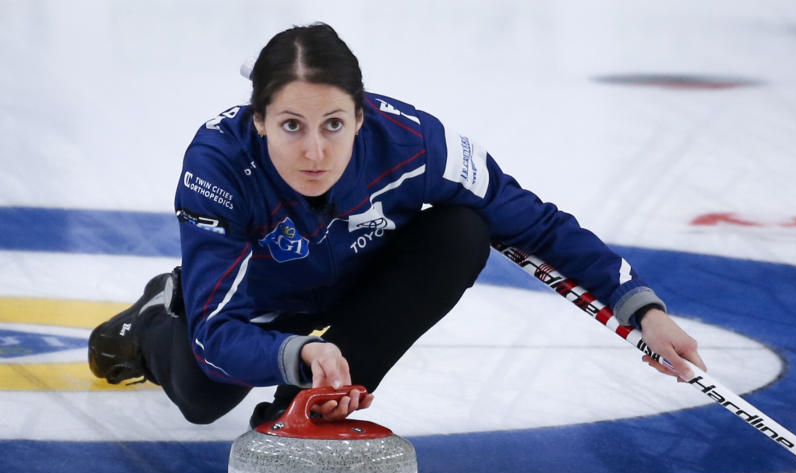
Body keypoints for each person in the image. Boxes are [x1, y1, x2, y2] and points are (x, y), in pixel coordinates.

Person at [88, 23, 706, 428]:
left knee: (463, 229)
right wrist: (296, 352)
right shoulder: (218, 166)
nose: (314, 152)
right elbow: (218, 335)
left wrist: (641, 308)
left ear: (362, 116)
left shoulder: (417, 145)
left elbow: (536, 224)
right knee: (202, 397)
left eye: (333, 124)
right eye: (291, 126)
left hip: (357, 275)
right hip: (258, 304)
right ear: (259, 121)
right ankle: (154, 318)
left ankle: (306, 410)